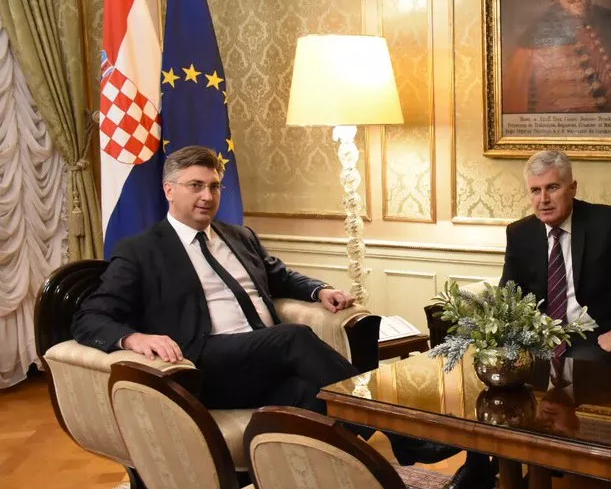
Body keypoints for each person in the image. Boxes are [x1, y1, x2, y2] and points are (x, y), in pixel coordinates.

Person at [72, 145, 442, 465]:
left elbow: (280, 277)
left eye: (214, 186)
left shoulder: (238, 236)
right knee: (294, 337)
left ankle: (312, 484)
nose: (207, 196)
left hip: (262, 361)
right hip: (205, 364)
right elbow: (90, 317)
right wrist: (134, 338)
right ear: (169, 189)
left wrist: (319, 291)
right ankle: (403, 435)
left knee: (313, 397)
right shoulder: (140, 251)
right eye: (195, 185)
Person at [430, 149, 611, 489]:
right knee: (493, 374)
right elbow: (508, 296)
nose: (543, 199)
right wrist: (497, 342)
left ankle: (540, 475)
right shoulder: (521, 233)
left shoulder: (604, 221)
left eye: (552, 188)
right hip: (539, 339)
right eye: (535, 190)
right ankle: (478, 466)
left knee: (572, 369)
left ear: (572, 188)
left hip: (592, 338)